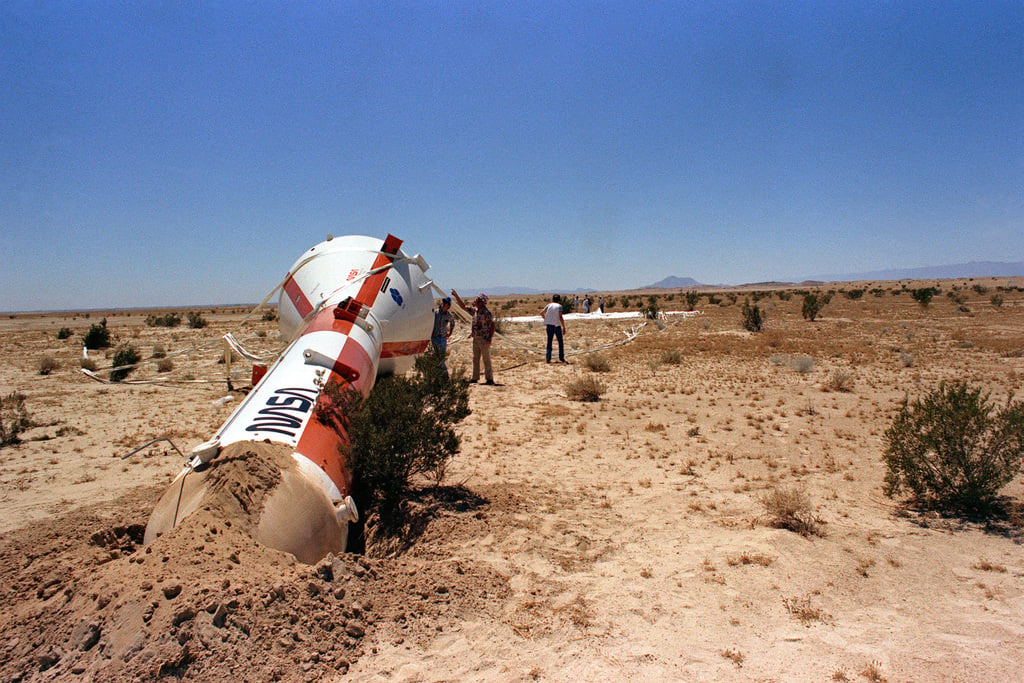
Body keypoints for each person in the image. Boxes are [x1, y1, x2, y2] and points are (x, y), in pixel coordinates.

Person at [452, 290, 495, 384]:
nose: (476, 302)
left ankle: (489, 379)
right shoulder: (475, 311)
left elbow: (492, 326)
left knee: (486, 359)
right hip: (476, 339)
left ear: (482, 302)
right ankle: (475, 378)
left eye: (478, 301)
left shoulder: (487, 313)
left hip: (484, 339)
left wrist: (489, 338)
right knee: (475, 359)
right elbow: (463, 307)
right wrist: (456, 296)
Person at [431, 297, 455, 378]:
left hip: (442, 338)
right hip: (434, 337)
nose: (444, 305)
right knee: (436, 356)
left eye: (446, 304)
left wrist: (450, 333)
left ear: (448, 306)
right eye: (443, 303)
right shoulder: (436, 313)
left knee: (441, 357)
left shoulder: (448, 315)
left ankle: (444, 375)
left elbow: (452, 323)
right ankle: (438, 374)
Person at [542, 294, 567, 363]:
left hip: (549, 325)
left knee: (549, 342)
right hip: (557, 326)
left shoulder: (548, 305)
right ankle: (561, 357)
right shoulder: (559, 306)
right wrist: (564, 327)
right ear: (559, 300)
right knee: (560, 342)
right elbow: (560, 317)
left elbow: (541, 312)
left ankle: (548, 358)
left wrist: (545, 318)